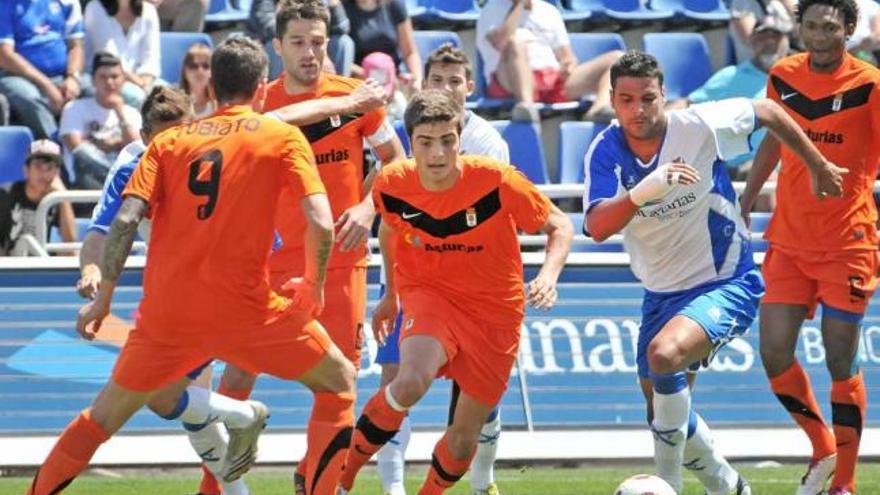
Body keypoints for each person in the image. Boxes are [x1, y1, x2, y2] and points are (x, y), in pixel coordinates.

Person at [25, 36, 357, 495]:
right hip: (247, 309)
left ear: (210, 90)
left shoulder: (168, 144)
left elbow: (123, 221)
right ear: (262, 87)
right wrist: (314, 284)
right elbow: (320, 220)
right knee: (338, 380)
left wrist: (103, 300)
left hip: (168, 316)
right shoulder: (280, 135)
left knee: (100, 419)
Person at [583, 50, 845, 495]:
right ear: (612, 99)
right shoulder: (605, 150)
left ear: (663, 96)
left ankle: (668, 485)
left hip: (726, 280)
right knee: (664, 412)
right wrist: (647, 189)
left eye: (648, 98)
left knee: (664, 356)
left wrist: (817, 165)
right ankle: (730, 488)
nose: (638, 110)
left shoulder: (698, 125)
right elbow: (597, 227)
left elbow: (769, 112)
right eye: (626, 100)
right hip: (661, 293)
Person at [192, 2, 406, 495]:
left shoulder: (355, 96)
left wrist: (369, 208)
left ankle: (316, 482)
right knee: (240, 372)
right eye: (299, 43)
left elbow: (395, 162)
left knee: (341, 381)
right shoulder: (262, 105)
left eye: (318, 42)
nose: (310, 53)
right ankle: (214, 487)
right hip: (270, 264)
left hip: (342, 261)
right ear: (277, 47)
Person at [340, 89, 573, 495]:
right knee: (410, 380)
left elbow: (560, 225)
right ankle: (339, 482)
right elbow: (390, 229)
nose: (437, 153)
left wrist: (549, 275)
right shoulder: (392, 182)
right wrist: (391, 294)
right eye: (426, 142)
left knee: (464, 437)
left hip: (496, 312)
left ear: (459, 138)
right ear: (410, 143)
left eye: (447, 140)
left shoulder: (497, 180)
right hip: (431, 294)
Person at [76, 84, 257, 495]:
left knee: (161, 395)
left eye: (182, 132)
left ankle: (245, 417)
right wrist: (91, 269)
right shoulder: (130, 166)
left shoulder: (220, 156)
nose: (175, 145)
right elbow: (100, 233)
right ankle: (239, 452)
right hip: (173, 295)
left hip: (223, 290)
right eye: (164, 137)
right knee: (189, 406)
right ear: (144, 138)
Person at [739, 1, 880, 493]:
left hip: (848, 243)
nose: (820, 36)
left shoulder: (870, 84)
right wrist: (747, 196)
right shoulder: (783, 74)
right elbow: (774, 140)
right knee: (775, 352)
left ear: (849, 31)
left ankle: (843, 482)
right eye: (813, 26)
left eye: (831, 28)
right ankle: (822, 448)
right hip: (790, 239)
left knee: (840, 361)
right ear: (799, 28)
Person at [372, 43, 511, 495]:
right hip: (413, 283)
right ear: (422, 84)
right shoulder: (405, 134)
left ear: (469, 87)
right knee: (394, 383)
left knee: (476, 401)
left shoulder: (489, 142)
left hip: (472, 289)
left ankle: (482, 481)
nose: (446, 88)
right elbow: (388, 211)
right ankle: (393, 488)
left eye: (455, 80)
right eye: (437, 80)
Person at [668, 13, 792, 180]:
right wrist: (656, 123)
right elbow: (688, 103)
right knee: (766, 176)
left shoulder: (799, 78)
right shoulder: (731, 76)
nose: (769, 43)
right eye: (763, 37)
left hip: (788, 163)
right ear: (752, 40)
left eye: (775, 37)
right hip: (744, 166)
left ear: (786, 41)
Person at [476, 0, 621, 122]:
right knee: (515, 41)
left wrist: (568, 65)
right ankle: (526, 107)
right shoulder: (492, 7)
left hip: (552, 78)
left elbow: (567, 56)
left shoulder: (549, 11)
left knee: (617, 59)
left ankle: (597, 110)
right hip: (509, 79)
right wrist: (519, 6)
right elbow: (500, 41)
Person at [0, 0, 85, 140]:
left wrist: (73, 77)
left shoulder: (66, 2)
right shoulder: (4, 5)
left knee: (93, 89)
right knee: (30, 97)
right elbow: (5, 55)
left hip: (64, 74)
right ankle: (57, 151)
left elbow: (76, 46)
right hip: (17, 76)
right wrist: (46, 84)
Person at [60, 52, 141, 189]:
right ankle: (117, 180)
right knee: (83, 153)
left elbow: (136, 149)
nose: (109, 82)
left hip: (122, 182)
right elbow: (76, 147)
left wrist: (120, 112)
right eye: (103, 77)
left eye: (114, 77)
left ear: (123, 80)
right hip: (87, 182)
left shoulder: (132, 113)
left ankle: (117, 181)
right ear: (92, 80)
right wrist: (117, 143)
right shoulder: (74, 108)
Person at [0, 140, 76, 256]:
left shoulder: (57, 198)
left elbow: (70, 243)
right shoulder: (6, 194)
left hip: (41, 263)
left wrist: (63, 199)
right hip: (9, 265)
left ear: (57, 173)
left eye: (49, 168)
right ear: (26, 170)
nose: (44, 173)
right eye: (38, 166)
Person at [83, 0, 161, 109]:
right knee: (138, 97)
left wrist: (145, 81)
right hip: (105, 77)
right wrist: (136, 81)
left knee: (170, 99)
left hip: (140, 78)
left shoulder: (149, 10)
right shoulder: (95, 8)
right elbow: (106, 56)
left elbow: (151, 57)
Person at [249, 0, 355, 77]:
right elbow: (266, 26)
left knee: (344, 42)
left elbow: (342, 27)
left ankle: (339, 87)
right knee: (279, 43)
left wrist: (333, 4)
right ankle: (282, 92)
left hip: (316, 39)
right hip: (287, 41)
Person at [344, 0, 422, 94]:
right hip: (358, 85)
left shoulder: (394, 4)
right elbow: (340, 59)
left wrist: (417, 80)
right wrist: (373, 75)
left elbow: (410, 52)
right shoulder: (342, 10)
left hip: (394, 84)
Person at [729, 0, 796, 63]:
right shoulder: (742, 3)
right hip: (755, 69)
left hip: (786, 64)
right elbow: (752, 41)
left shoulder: (780, 3)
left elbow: (801, 32)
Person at [179, 43, 216, 118]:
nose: (200, 71)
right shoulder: (174, 105)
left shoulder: (220, 105)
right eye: (193, 66)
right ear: (184, 71)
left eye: (206, 66)